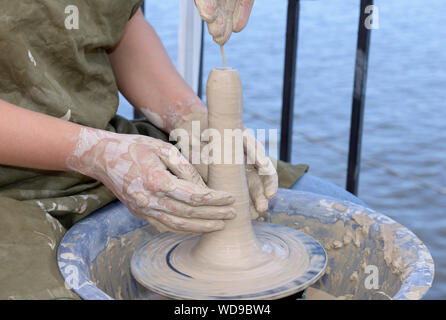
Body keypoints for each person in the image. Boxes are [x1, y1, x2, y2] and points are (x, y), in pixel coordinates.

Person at [0, 0, 311, 299]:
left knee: (322, 201)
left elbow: (112, 23)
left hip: (113, 146)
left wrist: (191, 122)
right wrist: (95, 153)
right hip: (13, 188)